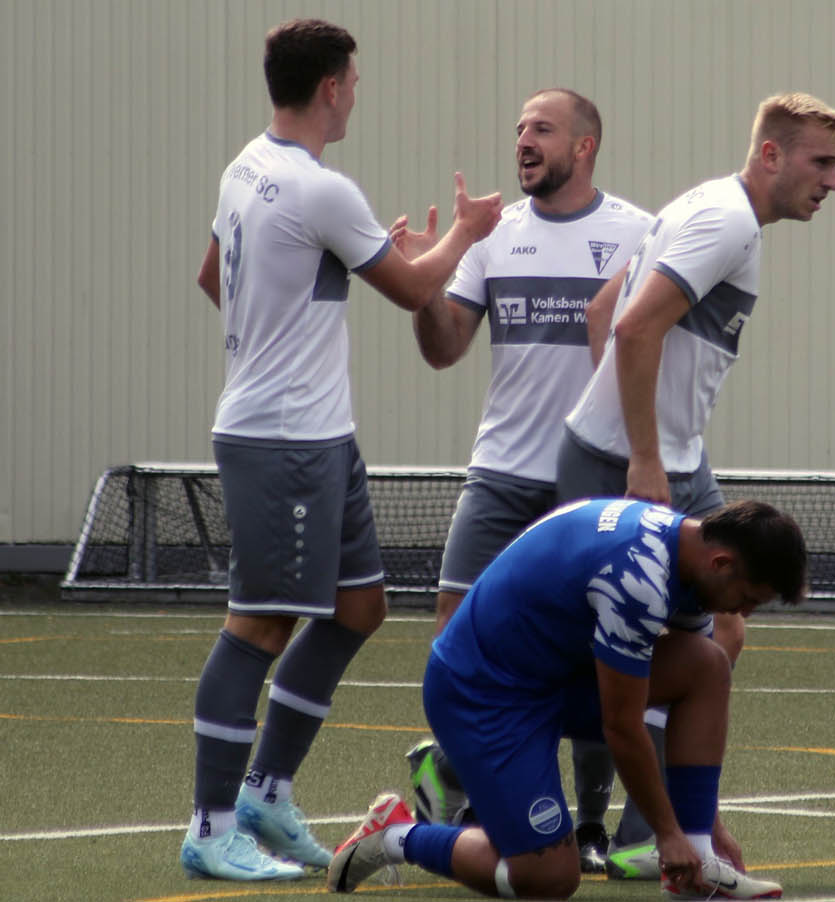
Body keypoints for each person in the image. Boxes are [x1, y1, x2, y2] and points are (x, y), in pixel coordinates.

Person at [182, 18, 502, 881]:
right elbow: (412, 290)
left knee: (360, 607)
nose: (357, 91)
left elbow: (217, 277)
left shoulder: (245, 165)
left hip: (318, 434)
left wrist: (280, 322)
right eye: (354, 80)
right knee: (259, 627)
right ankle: (212, 827)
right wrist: (464, 233)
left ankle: (267, 794)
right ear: (330, 86)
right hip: (283, 439)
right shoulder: (322, 189)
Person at [554, 90, 835, 877]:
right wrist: (640, 453)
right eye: (821, 162)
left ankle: (660, 831)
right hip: (647, 465)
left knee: (721, 634)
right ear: (770, 154)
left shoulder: (713, 208)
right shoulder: (725, 220)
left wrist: (651, 438)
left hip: (674, 459)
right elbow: (629, 325)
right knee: (629, 652)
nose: (832, 180)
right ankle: (464, 775)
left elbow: (600, 312)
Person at [388, 86, 652, 873]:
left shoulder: (636, 231)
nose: (523, 141)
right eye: (518, 131)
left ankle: (593, 823)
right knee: (454, 633)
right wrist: (422, 286)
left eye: (541, 129)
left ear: (586, 144)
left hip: (592, 476)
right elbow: (443, 348)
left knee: (595, 650)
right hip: (502, 473)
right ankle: (470, 794)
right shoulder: (491, 237)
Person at [327, 498, 807, 900]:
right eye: (749, 598)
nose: (743, 612)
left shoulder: (687, 561)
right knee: (548, 877)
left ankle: (699, 864)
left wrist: (702, 827)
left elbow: (672, 709)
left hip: (552, 675)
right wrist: (666, 834)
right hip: (483, 694)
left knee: (707, 664)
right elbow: (622, 728)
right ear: (721, 563)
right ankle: (395, 834)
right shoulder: (637, 580)